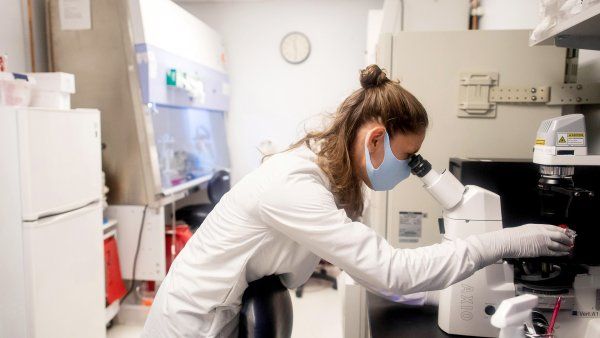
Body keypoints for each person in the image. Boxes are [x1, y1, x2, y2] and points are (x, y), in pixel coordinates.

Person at [142, 65, 572, 337]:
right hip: (192, 325)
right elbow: (389, 272)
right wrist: (505, 242)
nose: (408, 169)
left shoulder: (332, 182)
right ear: (376, 139)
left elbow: (372, 269)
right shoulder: (295, 185)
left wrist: (439, 295)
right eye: (407, 157)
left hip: (227, 313)